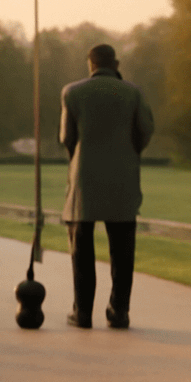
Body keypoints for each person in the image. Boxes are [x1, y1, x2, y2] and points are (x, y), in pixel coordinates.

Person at [59, 43, 154, 329]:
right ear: (116, 64)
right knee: (123, 251)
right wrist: (129, 152)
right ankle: (118, 310)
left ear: (90, 65)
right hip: (123, 179)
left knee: (81, 249)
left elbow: (66, 137)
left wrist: (78, 158)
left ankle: (82, 311)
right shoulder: (133, 93)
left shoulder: (72, 92)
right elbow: (145, 130)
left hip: (84, 179)